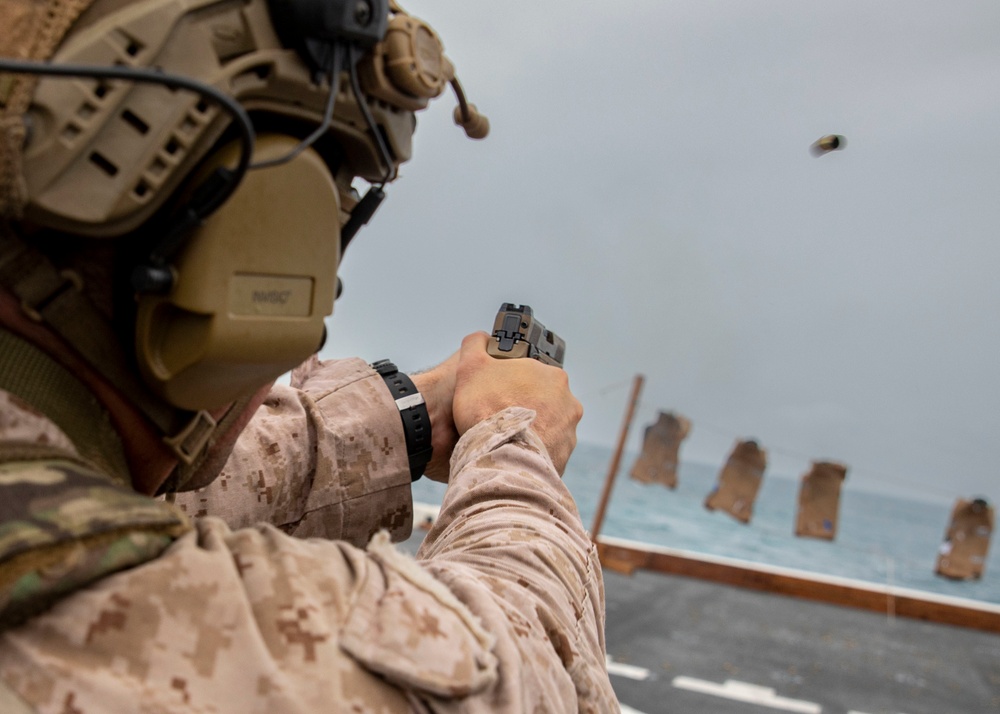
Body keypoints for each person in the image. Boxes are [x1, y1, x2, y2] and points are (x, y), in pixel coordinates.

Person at [0, 0, 619, 711]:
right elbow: (523, 674)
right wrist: (516, 446)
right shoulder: (108, 621)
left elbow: (123, 488)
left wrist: (413, 418)